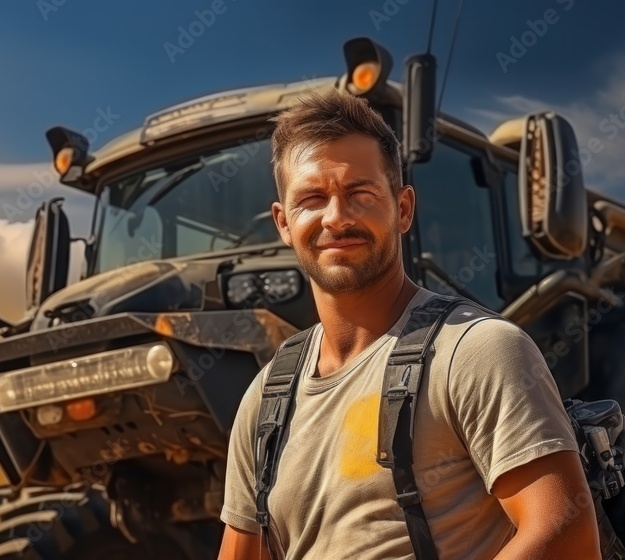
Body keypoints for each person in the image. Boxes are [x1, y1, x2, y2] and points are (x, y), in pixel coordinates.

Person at [217, 89, 601, 559]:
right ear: (283, 221)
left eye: (360, 194)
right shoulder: (266, 400)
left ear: (403, 209)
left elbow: (566, 537)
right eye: (312, 198)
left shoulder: (477, 352)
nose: (336, 218)